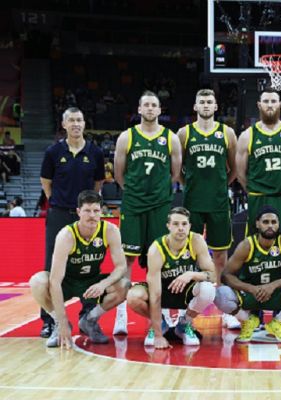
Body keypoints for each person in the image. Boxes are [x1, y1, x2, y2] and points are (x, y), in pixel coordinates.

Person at [114, 90, 182, 335]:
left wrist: (158, 194)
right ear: (139, 109)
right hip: (133, 205)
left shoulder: (170, 138)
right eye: (146, 105)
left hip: (160, 206)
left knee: (160, 261)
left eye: (154, 105)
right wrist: (134, 193)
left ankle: (162, 314)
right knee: (127, 261)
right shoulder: (126, 137)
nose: (150, 108)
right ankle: (120, 315)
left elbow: (175, 174)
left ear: (160, 110)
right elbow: (119, 174)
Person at [29, 190, 129, 348]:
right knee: (37, 282)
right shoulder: (66, 235)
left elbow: (122, 266)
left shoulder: (110, 230)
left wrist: (103, 284)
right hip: (67, 282)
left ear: (101, 211)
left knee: (124, 285)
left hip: (91, 281)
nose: (92, 215)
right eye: (87, 211)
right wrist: (62, 322)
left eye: (96, 211)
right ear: (78, 212)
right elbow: (55, 281)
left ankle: (89, 321)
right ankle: (59, 324)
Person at [39, 107, 105, 339]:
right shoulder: (53, 152)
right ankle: (50, 320)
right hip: (59, 213)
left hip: (85, 215)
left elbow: (98, 184)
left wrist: (86, 208)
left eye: (79, 120)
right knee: (51, 265)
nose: (76, 124)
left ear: (84, 124)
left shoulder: (95, 152)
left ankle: (87, 314)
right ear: (64, 124)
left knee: (89, 261)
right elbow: (46, 181)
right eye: (71, 120)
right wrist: (57, 203)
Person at [176, 88, 239, 329]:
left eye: (209, 101)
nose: (205, 105)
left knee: (221, 256)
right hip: (192, 203)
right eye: (201, 101)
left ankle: (226, 307)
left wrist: (220, 186)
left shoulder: (227, 133)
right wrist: (190, 184)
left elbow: (232, 169)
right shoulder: (184, 133)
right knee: (188, 255)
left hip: (218, 202)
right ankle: (187, 305)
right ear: (195, 107)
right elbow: (178, 168)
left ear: (215, 107)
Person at [214, 206, 281, 343]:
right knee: (220, 294)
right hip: (251, 295)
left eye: (274, 222)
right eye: (266, 222)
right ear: (257, 224)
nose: (270, 225)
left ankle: (278, 322)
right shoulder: (247, 245)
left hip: (276, 293)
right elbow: (226, 275)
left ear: (278, 224)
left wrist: (272, 286)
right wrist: (251, 289)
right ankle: (248, 320)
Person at [126, 207, 217, 348]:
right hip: (162, 292)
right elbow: (155, 294)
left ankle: (184, 324)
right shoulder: (156, 248)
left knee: (208, 289)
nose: (180, 228)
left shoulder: (197, 241)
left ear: (189, 226)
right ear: (168, 226)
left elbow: (213, 275)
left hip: (186, 291)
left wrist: (190, 274)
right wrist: (158, 336)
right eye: (176, 224)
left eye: (184, 224)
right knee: (133, 296)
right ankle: (159, 324)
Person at [235, 88, 281, 238]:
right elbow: (240, 173)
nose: (270, 105)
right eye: (266, 101)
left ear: (280, 104)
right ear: (259, 105)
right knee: (255, 242)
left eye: (273, 101)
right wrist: (253, 190)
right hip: (258, 196)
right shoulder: (247, 135)